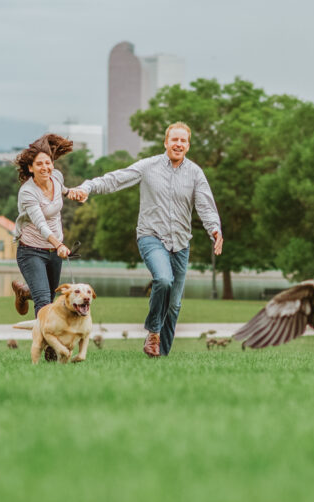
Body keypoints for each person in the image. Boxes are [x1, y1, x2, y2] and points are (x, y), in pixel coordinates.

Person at [68, 122, 223, 358]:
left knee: (174, 305)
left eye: (183, 141)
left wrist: (215, 230)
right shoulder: (148, 166)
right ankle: (153, 332)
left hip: (180, 244)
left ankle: (160, 356)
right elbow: (115, 179)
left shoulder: (195, 173)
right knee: (163, 279)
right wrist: (88, 187)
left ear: (188, 145)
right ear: (166, 142)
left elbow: (205, 205)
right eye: (174, 140)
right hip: (151, 237)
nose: (178, 144)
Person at [11, 134, 75, 318]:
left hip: (54, 252)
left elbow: (62, 189)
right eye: (39, 164)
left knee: (49, 295)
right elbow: (41, 225)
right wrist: (59, 245)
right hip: (31, 250)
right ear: (30, 168)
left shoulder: (57, 177)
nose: (45, 168)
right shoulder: (28, 192)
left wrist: (71, 193)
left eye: (47, 163)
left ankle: (25, 292)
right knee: (44, 301)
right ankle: (48, 346)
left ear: (52, 164)